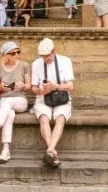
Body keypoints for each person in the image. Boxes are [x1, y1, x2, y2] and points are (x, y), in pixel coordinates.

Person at [31, 37, 75, 168]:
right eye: (42, 56)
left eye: (47, 55)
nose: (45, 59)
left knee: (60, 118)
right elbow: (33, 88)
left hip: (61, 97)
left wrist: (55, 87)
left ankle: (50, 150)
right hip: (43, 99)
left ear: (54, 51)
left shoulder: (65, 61)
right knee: (43, 118)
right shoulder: (36, 64)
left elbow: (70, 86)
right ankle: (51, 151)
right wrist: (40, 91)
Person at [0, 40, 30, 163]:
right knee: (9, 114)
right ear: (5, 55)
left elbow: (29, 86)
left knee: (8, 103)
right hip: (5, 101)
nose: (17, 55)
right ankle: (5, 150)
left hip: (20, 100)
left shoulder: (24, 65)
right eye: (13, 53)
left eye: (18, 52)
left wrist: (23, 85)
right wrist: (1, 88)